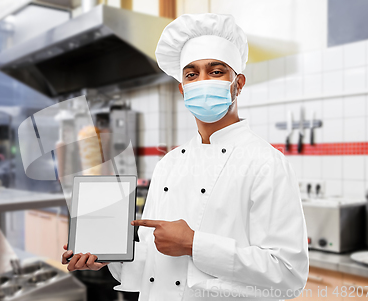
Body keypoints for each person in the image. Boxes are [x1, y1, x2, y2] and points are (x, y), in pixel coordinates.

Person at [62, 13, 309, 300]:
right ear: (182, 89)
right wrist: (108, 255)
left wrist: (194, 244)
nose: (202, 81)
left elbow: (289, 275)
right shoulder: (170, 164)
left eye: (216, 72)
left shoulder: (266, 164)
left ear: (238, 83)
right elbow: (153, 267)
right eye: (192, 75)